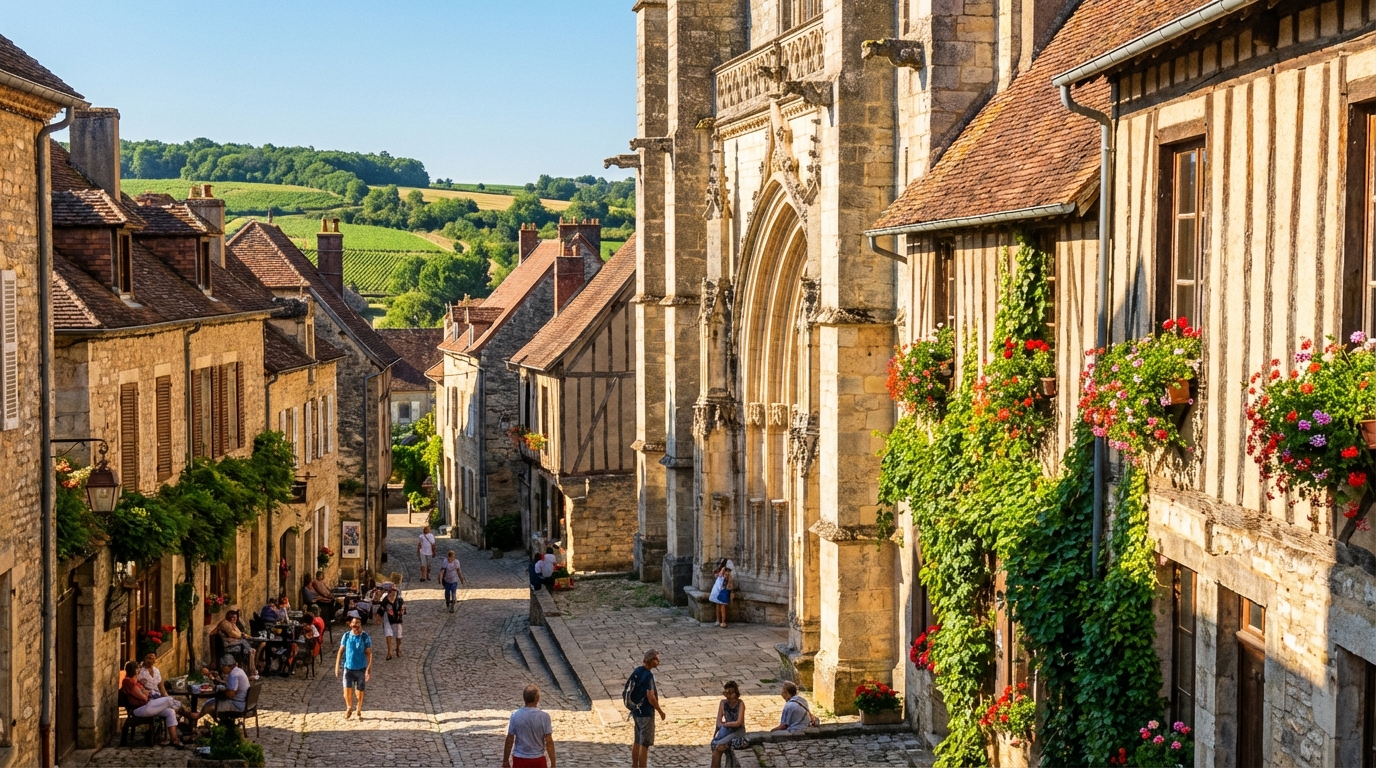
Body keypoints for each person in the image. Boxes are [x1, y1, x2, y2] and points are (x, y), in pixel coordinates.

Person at [121, 660, 196, 747]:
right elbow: (144, 697)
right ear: (135, 670)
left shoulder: (135, 681)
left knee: (170, 712)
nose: (139, 671)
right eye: (137, 669)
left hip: (147, 706)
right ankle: (187, 714)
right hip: (139, 709)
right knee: (169, 700)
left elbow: (146, 692)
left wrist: (145, 692)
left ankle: (174, 739)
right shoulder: (129, 682)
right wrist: (145, 692)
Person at [625, 648, 665, 768]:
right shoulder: (648, 676)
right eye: (657, 659)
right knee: (645, 744)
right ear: (653, 661)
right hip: (646, 713)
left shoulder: (637, 671)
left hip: (636, 711)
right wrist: (660, 711)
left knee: (637, 741)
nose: (659, 661)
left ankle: (634, 766)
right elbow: (651, 697)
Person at [502, 684, 556, 768]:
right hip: (538, 759)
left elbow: (510, 738)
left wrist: (505, 760)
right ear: (537, 699)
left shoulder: (515, 715)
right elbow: (549, 741)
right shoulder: (544, 717)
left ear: (524, 699)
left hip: (520, 758)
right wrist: (553, 763)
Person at [334, 615, 372, 719]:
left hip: (361, 668)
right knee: (347, 690)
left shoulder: (365, 637)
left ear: (361, 624)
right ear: (350, 624)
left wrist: (369, 668)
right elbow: (341, 651)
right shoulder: (346, 636)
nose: (355, 625)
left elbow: (369, 653)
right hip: (348, 668)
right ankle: (349, 707)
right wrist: (337, 667)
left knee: (360, 691)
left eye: (358, 623)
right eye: (354, 623)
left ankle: (358, 708)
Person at [199, 655, 250, 719]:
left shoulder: (233, 675)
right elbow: (231, 686)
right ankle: (221, 723)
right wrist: (215, 679)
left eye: (223, 667)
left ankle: (197, 718)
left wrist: (220, 693)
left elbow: (231, 694)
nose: (222, 668)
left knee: (209, 706)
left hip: (237, 705)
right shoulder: (239, 671)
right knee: (209, 702)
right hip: (241, 702)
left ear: (227, 666)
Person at [710, 680, 747, 768]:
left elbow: (739, 722)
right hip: (727, 730)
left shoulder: (740, 704)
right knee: (714, 744)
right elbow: (718, 721)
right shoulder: (723, 703)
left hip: (738, 731)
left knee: (718, 746)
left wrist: (727, 724)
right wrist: (721, 727)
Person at [214, 609, 259, 679]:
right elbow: (235, 635)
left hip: (235, 643)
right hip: (229, 645)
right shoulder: (225, 624)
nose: (235, 619)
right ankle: (251, 672)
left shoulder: (232, 624)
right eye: (234, 618)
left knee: (251, 650)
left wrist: (244, 635)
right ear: (230, 617)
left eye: (235, 618)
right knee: (248, 648)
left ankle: (252, 670)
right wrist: (244, 636)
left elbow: (239, 633)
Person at [380, 583, 406, 659]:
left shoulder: (399, 599)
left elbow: (403, 609)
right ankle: (389, 652)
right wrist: (378, 617)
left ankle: (398, 648)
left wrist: (401, 611)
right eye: (389, 591)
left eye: (392, 591)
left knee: (398, 636)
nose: (390, 593)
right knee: (388, 634)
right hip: (387, 617)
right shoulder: (385, 599)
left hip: (397, 619)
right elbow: (381, 608)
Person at [709, 560, 734, 629]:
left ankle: (722, 621)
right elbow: (717, 575)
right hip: (718, 587)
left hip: (722, 588)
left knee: (722, 606)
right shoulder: (721, 570)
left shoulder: (725, 570)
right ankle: (718, 620)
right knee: (718, 605)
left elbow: (723, 577)